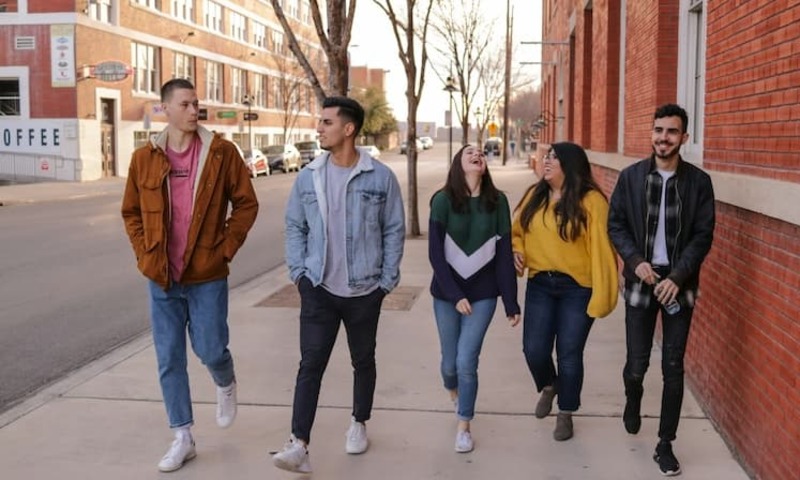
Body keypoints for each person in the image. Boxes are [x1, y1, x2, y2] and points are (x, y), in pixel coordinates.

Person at [121, 78, 259, 472]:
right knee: (169, 358)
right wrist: (145, 253)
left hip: (207, 274)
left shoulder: (220, 153)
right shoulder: (144, 158)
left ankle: (225, 380)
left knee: (211, 348)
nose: (193, 110)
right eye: (184, 104)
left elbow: (247, 205)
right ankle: (182, 435)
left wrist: (225, 248)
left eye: (196, 103)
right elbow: (131, 212)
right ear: (165, 108)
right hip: (162, 276)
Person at [272, 96, 405, 474]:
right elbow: (295, 226)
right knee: (310, 363)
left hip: (365, 291)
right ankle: (299, 444)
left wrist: (385, 281)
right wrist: (299, 274)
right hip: (318, 289)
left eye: (326, 122)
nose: (319, 128)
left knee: (363, 360)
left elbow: (394, 228)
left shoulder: (380, 177)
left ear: (348, 129)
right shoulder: (308, 175)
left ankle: (359, 422)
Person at [608, 103, 715, 477]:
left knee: (673, 366)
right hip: (641, 278)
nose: (663, 138)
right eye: (658, 130)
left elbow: (703, 236)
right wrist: (635, 260)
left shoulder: (699, 182)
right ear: (651, 133)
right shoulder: (631, 178)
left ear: (683, 138)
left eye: (671, 132)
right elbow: (616, 224)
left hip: (678, 283)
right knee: (636, 364)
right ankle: (632, 397)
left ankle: (665, 444)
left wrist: (678, 277)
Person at [512, 142, 618, 442]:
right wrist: (516, 251)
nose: (546, 162)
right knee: (534, 349)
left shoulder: (592, 202)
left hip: (578, 288)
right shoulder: (535, 196)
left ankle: (566, 412)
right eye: (546, 156)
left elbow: (602, 251)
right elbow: (516, 232)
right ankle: (549, 385)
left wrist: (603, 294)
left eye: (553, 158)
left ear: (570, 166)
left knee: (569, 354)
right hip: (540, 284)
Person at [428, 145, 521, 453]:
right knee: (449, 365)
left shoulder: (499, 202)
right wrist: (454, 296)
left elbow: (505, 256)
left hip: (483, 295)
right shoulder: (442, 201)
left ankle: (464, 424)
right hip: (446, 294)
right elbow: (436, 256)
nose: (477, 154)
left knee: (467, 360)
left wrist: (510, 302)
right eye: (469, 152)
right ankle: (454, 392)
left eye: (481, 152)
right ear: (458, 163)